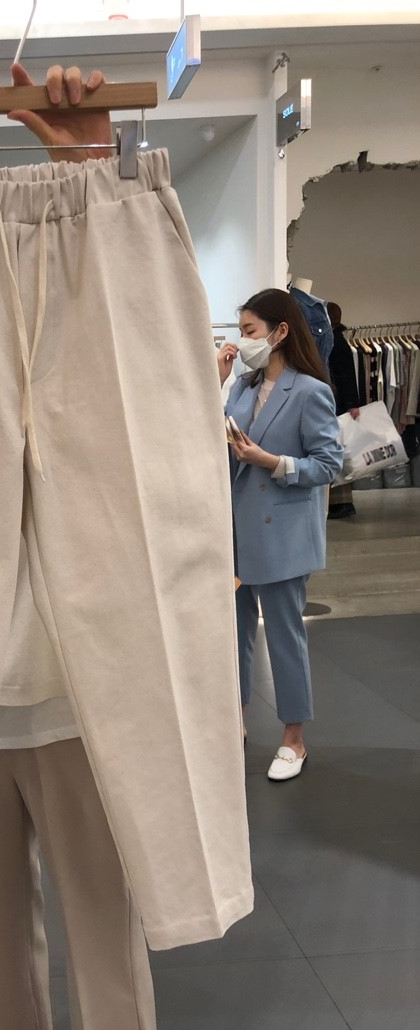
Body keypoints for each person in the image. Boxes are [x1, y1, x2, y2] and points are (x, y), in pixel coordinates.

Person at [0, 62, 164, 1030]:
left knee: (104, 937)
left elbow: (130, 313)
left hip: (78, 698)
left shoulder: (90, 366)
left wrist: (90, 163)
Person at [217, 289, 343, 782]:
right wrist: (216, 382)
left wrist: (270, 461)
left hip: (282, 532)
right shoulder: (241, 387)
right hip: (235, 530)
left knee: (284, 636)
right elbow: (220, 446)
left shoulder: (310, 391)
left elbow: (328, 465)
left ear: (280, 331)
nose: (243, 341)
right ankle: (236, 720)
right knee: (234, 632)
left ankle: (294, 739)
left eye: (249, 331)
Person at [325, 300, 361, 519]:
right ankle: (339, 502)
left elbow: (347, 375)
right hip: (340, 404)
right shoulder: (336, 340)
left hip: (339, 406)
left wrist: (352, 404)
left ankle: (342, 503)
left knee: (339, 452)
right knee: (340, 451)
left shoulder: (335, 342)